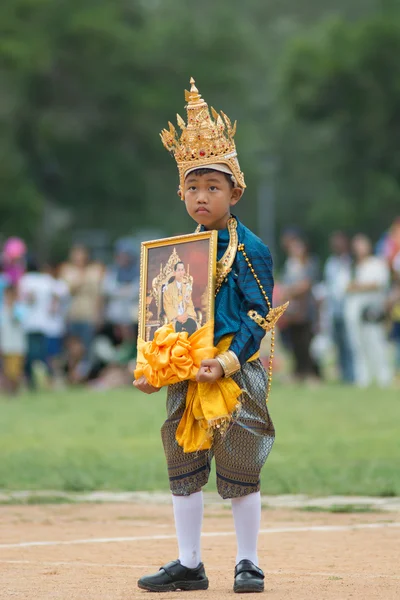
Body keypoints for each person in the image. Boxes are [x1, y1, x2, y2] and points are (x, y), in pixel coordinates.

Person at [134, 78, 277, 594]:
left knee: (241, 463)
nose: (201, 196)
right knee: (182, 461)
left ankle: (248, 562)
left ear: (234, 192)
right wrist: (153, 367)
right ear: (181, 192)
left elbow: (261, 315)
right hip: (186, 372)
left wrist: (230, 361)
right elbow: (165, 320)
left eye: (213, 187)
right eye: (193, 187)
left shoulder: (251, 248)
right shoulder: (178, 252)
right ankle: (189, 563)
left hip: (234, 374)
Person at [345, 234, 392, 388]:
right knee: (358, 345)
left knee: (376, 343)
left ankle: (383, 377)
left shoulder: (376, 264)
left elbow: (378, 284)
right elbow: (346, 287)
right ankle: (362, 378)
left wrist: (358, 286)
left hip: (371, 309)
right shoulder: (353, 266)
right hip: (355, 311)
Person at [280, 236, 320, 382]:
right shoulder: (289, 265)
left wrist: (291, 291)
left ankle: (311, 373)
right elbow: (284, 285)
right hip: (293, 311)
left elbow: (306, 284)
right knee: (294, 343)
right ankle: (298, 372)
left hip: (306, 310)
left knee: (306, 343)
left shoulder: (309, 264)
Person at [60, 245, 104, 351]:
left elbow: (99, 294)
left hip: (89, 316)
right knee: (71, 347)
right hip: (72, 315)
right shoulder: (67, 271)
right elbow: (67, 291)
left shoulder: (95, 271)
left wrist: (99, 314)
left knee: (87, 346)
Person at [19, 259, 55, 389]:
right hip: (44, 323)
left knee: (31, 354)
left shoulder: (25, 280)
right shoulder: (46, 280)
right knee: (42, 353)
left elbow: (29, 298)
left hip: (29, 323)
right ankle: (46, 377)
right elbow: (57, 293)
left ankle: (32, 381)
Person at [324, 231, 354, 382]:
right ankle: (344, 374)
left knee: (350, 343)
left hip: (349, 308)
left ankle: (352, 374)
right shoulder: (331, 262)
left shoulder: (351, 262)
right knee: (340, 344)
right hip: (335, 310)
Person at [0, 284, 27, 394]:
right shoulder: (2, 309)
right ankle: (8, 391)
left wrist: (12, 308)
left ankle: (15, 391)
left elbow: (18, 320)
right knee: (6, 370)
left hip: (17, 344)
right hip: (5, 343)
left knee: (15, 371)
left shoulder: (19, 308)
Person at [162, 261, 197, 336]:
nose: (181, 272)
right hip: (175, 318)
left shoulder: (187, 288)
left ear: (184, 271)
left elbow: (190, 305)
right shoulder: (168, 288)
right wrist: (178, 317)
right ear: (174, 272)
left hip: (186, 316)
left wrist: (186, 314)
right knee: (178, 328)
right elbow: (167, 306)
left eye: (182, 270)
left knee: (193, 325)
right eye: (179, 270)